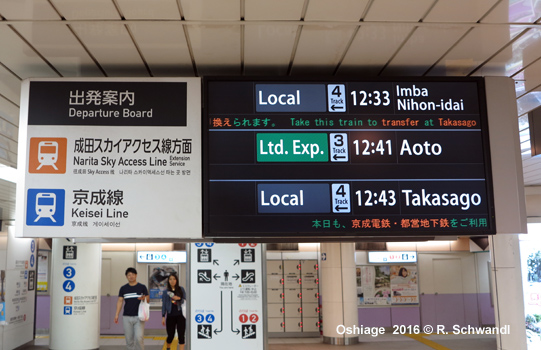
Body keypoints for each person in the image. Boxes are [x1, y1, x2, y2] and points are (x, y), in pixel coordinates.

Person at [114, 267, 149, 350]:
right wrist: (116, 314)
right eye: (129, 275)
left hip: (139, 317)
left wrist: (144, 298)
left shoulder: (142, 287)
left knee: (139, 338)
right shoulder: (123, 288)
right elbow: (120, 301)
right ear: (126, 276)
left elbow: (148, 299)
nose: (131, 276)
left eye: (133, 274)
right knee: (129, 340)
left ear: (136, 275)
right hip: (126, 317)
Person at [161, 274, 186, 350]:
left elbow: (185, 301)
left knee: (181, 335)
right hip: (170, 315)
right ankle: (168, 347)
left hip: (180, 315)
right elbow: (164, 304)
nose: (172, 281)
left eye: (174, 279)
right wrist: (163, 316)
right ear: (168, 281)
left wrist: (179, 298)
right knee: (170, 335)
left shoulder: (181, 289)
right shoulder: (166, 292)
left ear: (176, 280)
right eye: (170, 279)